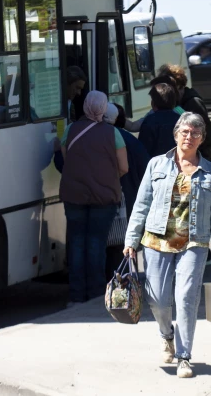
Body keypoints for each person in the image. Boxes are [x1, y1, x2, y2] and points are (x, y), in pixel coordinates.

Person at [123, 112, 211, 379]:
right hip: (156, 241)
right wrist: (131, 240)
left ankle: (184, 356)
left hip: (194, 242)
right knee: (158, 298)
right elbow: (141, 205)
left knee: (186, 298)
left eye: (195, 133)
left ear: (202, 139)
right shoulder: (156, 165)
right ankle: (166, 334)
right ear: (176, 135)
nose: (189, 137)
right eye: (185, 132)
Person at [60, 91, 129, 306]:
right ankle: (96, 295)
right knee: (96, 245)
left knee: (77, 244)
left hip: (74, 195)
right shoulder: (112, 133)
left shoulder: (71, 130)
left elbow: (66, 157)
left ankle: (76, 295)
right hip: (104, 197)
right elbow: (124, 167)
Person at [104, 103, 150, 281]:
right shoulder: (131, 140)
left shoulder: (102, 137)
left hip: (109, 198)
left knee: (111, 247)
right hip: (132, 199)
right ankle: (129, 286)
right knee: (126, 245)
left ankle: (113, 288)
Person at [157, 64, 211, 166]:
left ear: (179, 86)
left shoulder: (193, 102)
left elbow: (207, 136)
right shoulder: (177, 103)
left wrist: (199, 159)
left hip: (201, 161)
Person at [53, 66, 88, 173]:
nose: (79, 93)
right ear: (67, 83)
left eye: (81, 89)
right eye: (77, 87)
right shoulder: (52, 103)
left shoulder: (70, 104)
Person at [138, 83, 181, 157]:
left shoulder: (150, 121)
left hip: (157, 165)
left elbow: (143, 150)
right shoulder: (181, 119)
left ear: (153, 103)